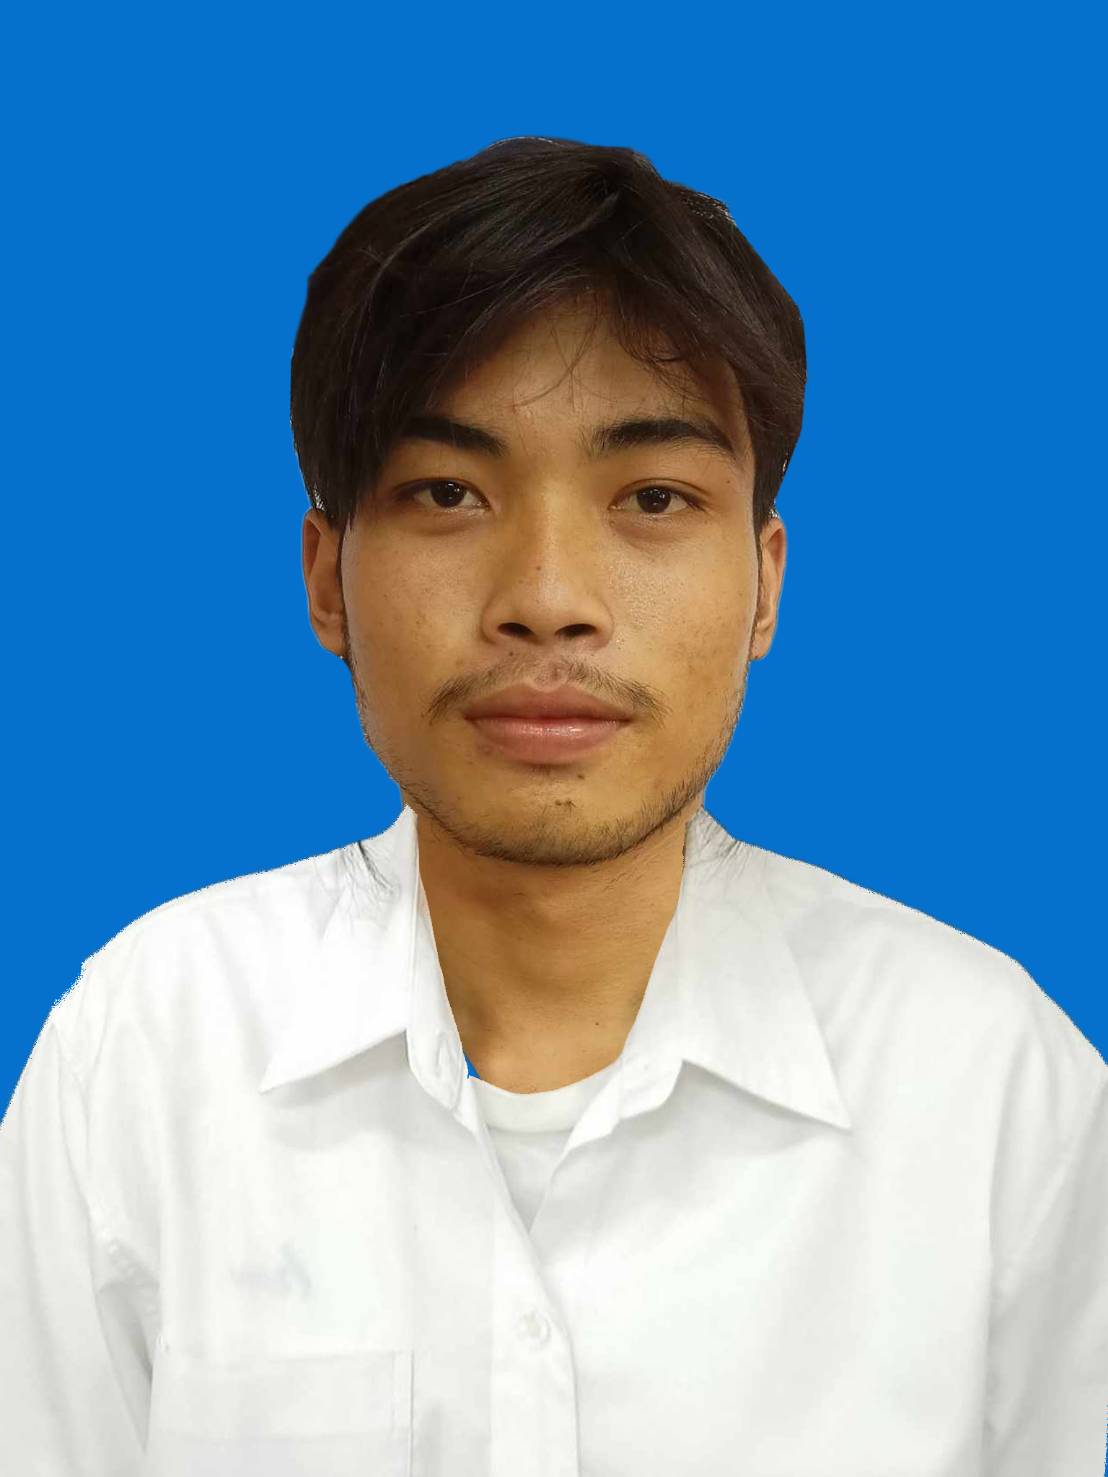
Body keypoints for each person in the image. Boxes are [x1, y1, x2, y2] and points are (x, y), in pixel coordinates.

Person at [2, 136, 1105, 1476]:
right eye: (448, 492)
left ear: (764, 584)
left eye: (653, 497)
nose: (547, 597)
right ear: (328, 579)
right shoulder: (145, 1053)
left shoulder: (992, 1092)